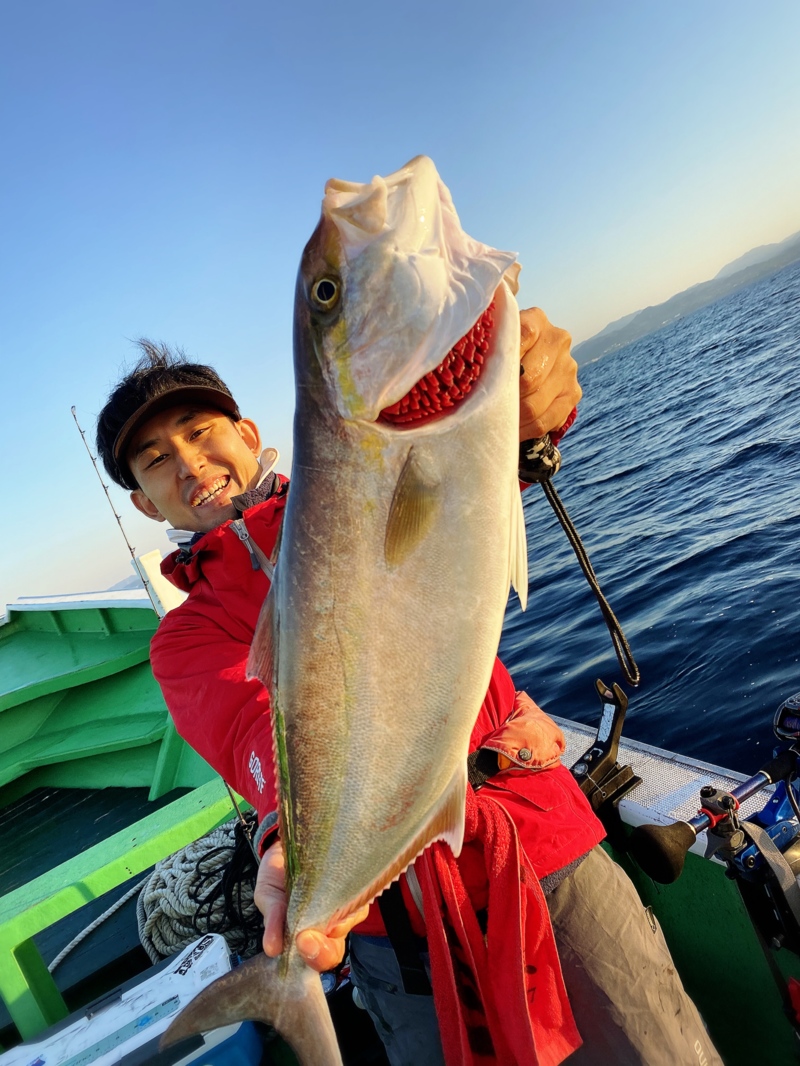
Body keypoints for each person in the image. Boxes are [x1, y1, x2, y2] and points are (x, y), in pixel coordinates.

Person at [96, 311, 722, 1066]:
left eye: (201, 431)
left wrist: (522, 417)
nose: (190, 463)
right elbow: (248, 730)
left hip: (533, 839)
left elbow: (460, 484)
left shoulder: (356, 490)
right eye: (156, 460)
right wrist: (293, 832)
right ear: (143, 502)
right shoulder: (187, 635)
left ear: (247, 429)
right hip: (389, 923)